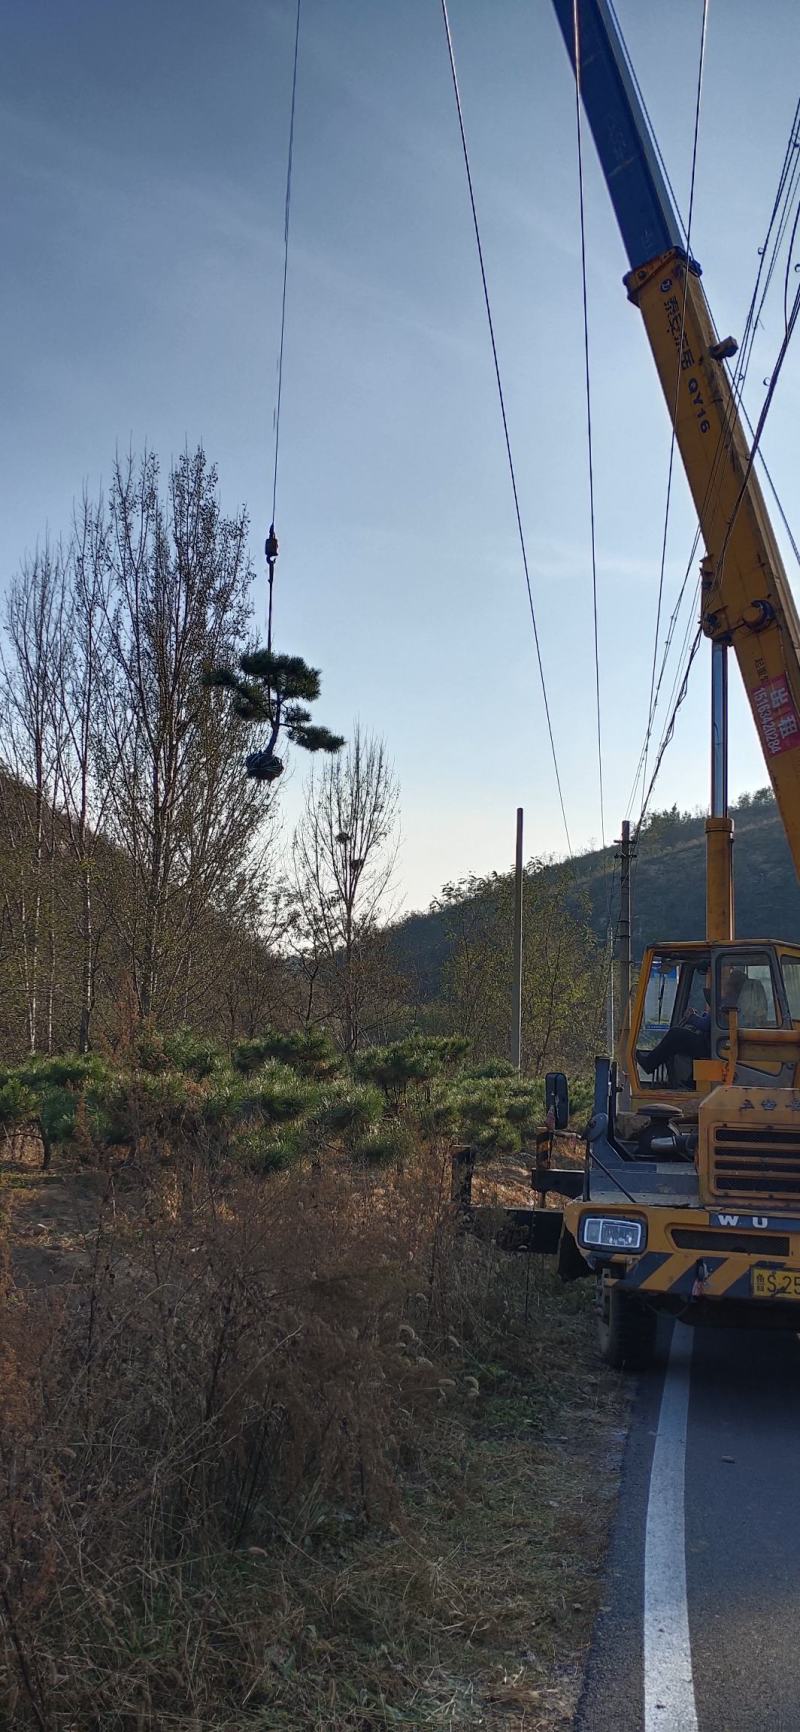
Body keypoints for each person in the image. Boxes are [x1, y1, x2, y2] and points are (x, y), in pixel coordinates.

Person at [636, 969, 744, 1078]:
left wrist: (691, 1018)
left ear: (733, 985)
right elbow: (713, 1021)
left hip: (712, 1046)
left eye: (729, 982)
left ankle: (649, 1064)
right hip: (718, 1044)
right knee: (681, 1040)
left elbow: (706, 1025)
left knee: (675, 1034)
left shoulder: (728, 1002)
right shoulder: (735, 1001)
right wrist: (700, 1016)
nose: (726, 985)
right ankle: (691, 1080)